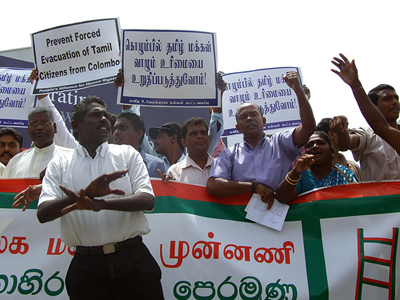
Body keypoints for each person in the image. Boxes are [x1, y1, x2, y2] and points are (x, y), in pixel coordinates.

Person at [37, 96, 164, 300]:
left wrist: (102, 203)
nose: (104, 119)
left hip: (134, 262)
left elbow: (147, 199)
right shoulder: (59, 164)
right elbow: (43, 213)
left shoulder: (127, 155)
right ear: (76, 124)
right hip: (86, 269)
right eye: (96, 115)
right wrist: (85, 196)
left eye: (106, 115)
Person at [207, 71, 316, 209]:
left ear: (264, 121)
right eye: (243, 117)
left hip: (285, 221)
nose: (249, 118)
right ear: (238, 128)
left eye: (253, 114)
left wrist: (298, 90)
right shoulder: (230, 154)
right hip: (243, 224)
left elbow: (309, 127)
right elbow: (213, 185)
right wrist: (253, 187)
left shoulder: (280, 142)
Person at [331, 53, 400, 181]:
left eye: (396, 98)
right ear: (373, 107)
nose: (395, 102)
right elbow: (346, 143)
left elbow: (382, 128)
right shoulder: (367, 135)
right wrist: (341, 131)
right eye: (388, 99)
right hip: (379, 200)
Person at [276, 131, 357, 203]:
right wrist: (296, 171)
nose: (314, 146)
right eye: (310, 145)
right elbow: (283, 198)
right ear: (306, 152)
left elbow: (358, 199)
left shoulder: (344, 174)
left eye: (321, 143)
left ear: (331, 151)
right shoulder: (301, 176)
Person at [113, 110, 166, 177]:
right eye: (115, 129)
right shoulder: (106, 162)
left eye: (123, 128)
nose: (116, 132)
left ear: (139, 134)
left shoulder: (155, 165)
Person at [164, 117, 213, 185]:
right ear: (184, 142)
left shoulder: (221, 167)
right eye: (194, 134)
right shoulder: (174, 173)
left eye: (203, 133)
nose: (200, 136)